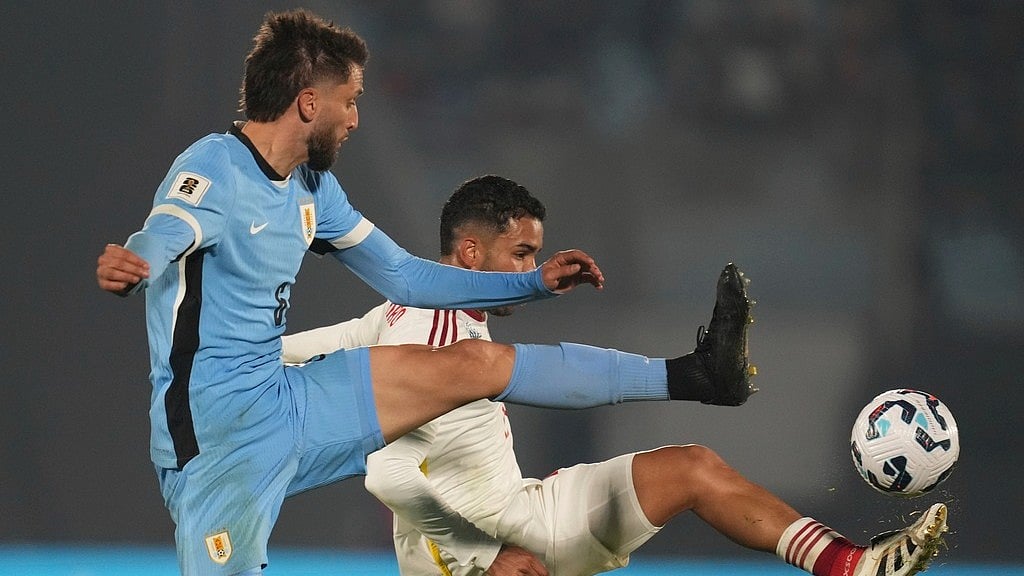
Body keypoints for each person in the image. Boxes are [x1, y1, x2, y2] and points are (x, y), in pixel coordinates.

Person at [95, 9, 759, 576]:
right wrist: (136, 260)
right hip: (216, 442)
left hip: (288, 400)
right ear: (309, 103)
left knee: (475, 363)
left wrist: (529, 283)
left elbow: (407, 277)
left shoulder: (312, 187)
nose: (355, 119)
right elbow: (166, 230)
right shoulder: (214, 165)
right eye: (350, 100)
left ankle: (696, 375)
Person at [282, 175, 950, 576]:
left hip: (524, 517)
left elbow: (300, 352)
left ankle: (851, 566)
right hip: (480, 557)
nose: (531, 270)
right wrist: (485, 557)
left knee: (692, 468)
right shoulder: (430, 334)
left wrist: (233, 359)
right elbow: (390, 475)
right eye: (522, 254)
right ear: (470, 251)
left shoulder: (400, 314)